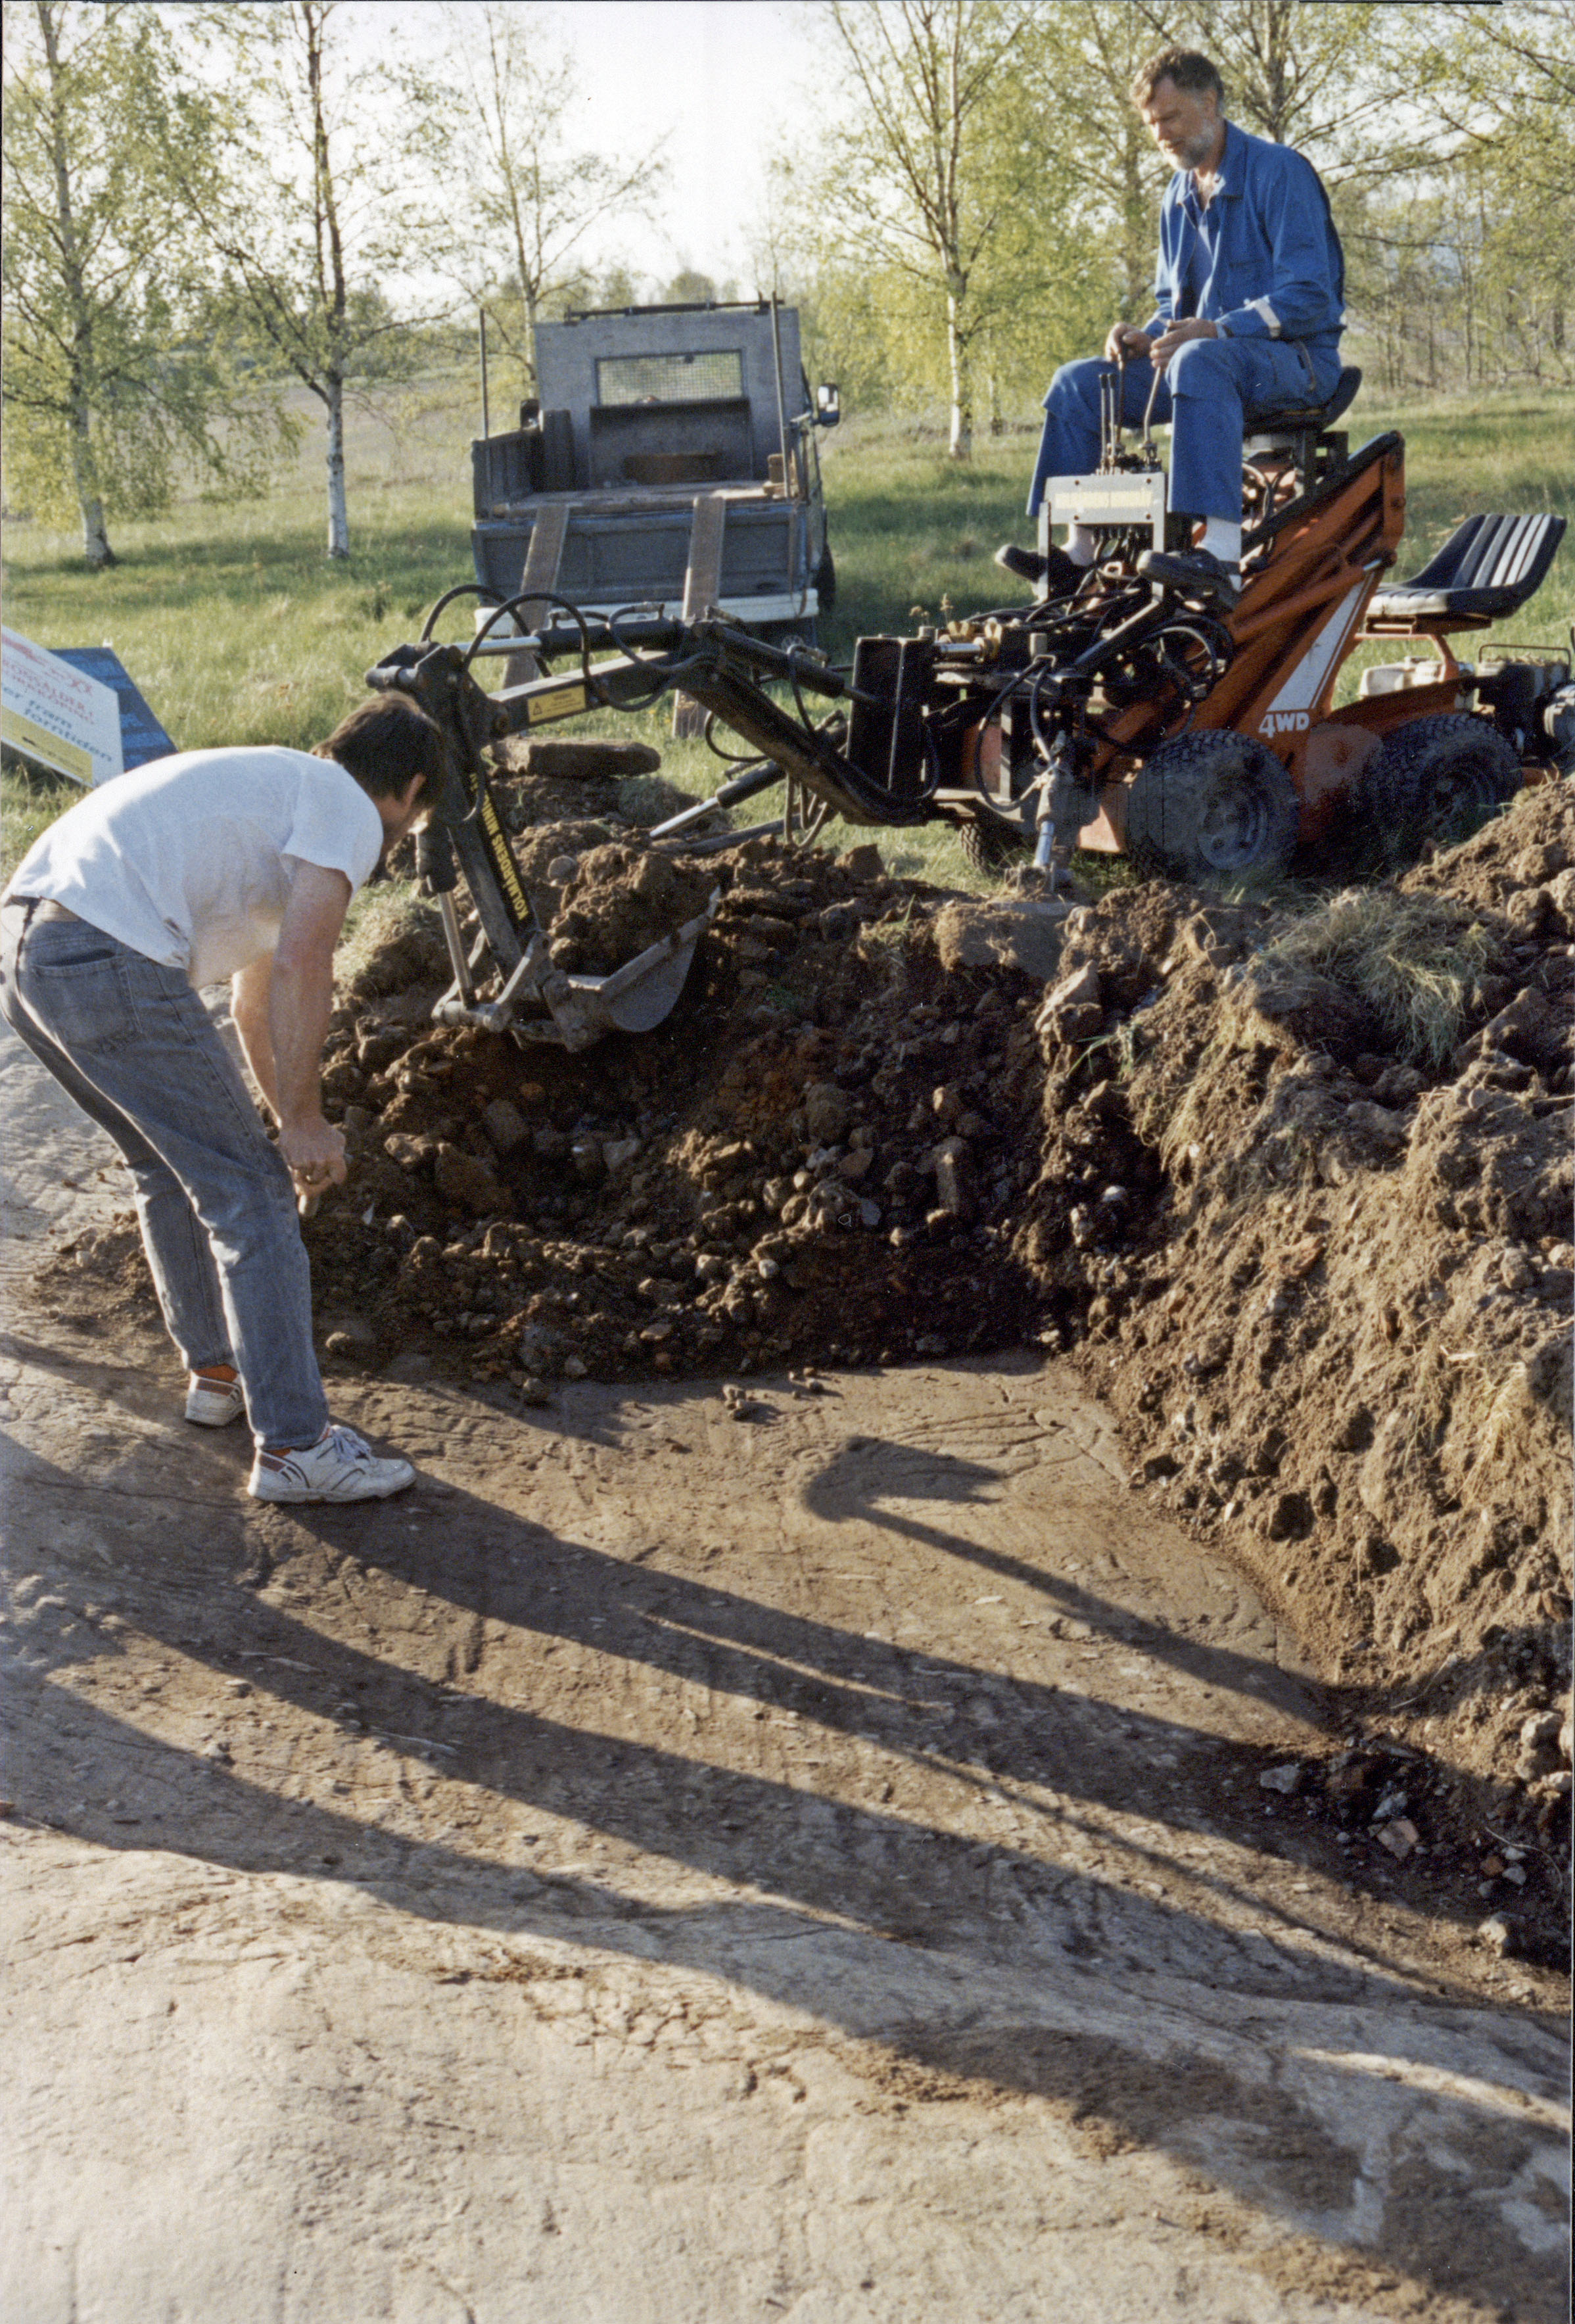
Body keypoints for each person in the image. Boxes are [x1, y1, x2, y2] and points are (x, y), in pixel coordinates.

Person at [1, 694, 443, 1504]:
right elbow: (304, 969)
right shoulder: (344, 806)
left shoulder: (274, 799)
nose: (399, 842)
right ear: (410, 791)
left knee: (167, 1164)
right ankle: (296, 1447)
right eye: (412, 825)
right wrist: (306, 1126)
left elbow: (251, 1004)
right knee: (250, 1193)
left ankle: (218, 1372)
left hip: (28, 950)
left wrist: (286, 1121)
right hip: (106, 948)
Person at [1004, 46, 1345, 605]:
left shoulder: (1280, 174)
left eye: (1169, 118)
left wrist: (1218, 331)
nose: (1160, 134)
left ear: (1209, 104)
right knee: (1078, 384)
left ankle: (1220, 556)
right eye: (1151, 124)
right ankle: (1077, 553)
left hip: (1296, 362)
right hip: (1206, 363)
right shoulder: (1177, 196)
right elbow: (1174, 308)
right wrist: (1145, 334)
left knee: (1198, 359)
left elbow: (1309, 296)